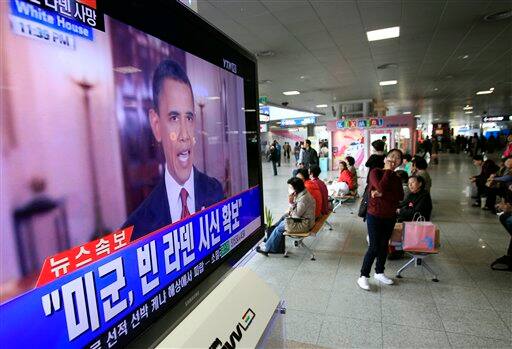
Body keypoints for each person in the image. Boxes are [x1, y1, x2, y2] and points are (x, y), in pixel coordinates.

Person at [122, 59, 224, 241]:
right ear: (156, 125)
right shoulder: (136, 228)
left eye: (189, 118)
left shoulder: (215, 191)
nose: (185, 135)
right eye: (174, 118)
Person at [358, 149, 404, 290]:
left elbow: (400, 197)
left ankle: (379, 272)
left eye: (397, 158)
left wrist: (381, 194)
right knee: (374, 246)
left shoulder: (397, 178)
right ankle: (363, 276)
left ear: (400, 163)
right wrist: (388, 172)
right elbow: (380, 186)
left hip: (390, 215)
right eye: (391, 156)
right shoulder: (375, 172)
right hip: (375, 215)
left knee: (384, 245)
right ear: (385, 158)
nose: (394, 160)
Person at [256, 177, 315, 256]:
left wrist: (291, 203)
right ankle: (269, 237)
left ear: (296, 188)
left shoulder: (303, 199)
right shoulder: (302, 194)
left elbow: (296, 216)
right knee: (284, 217)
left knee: (279, 228)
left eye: (291, 187)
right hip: (304, 219)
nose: (289, 189)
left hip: (304, 224)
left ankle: (267, 248)